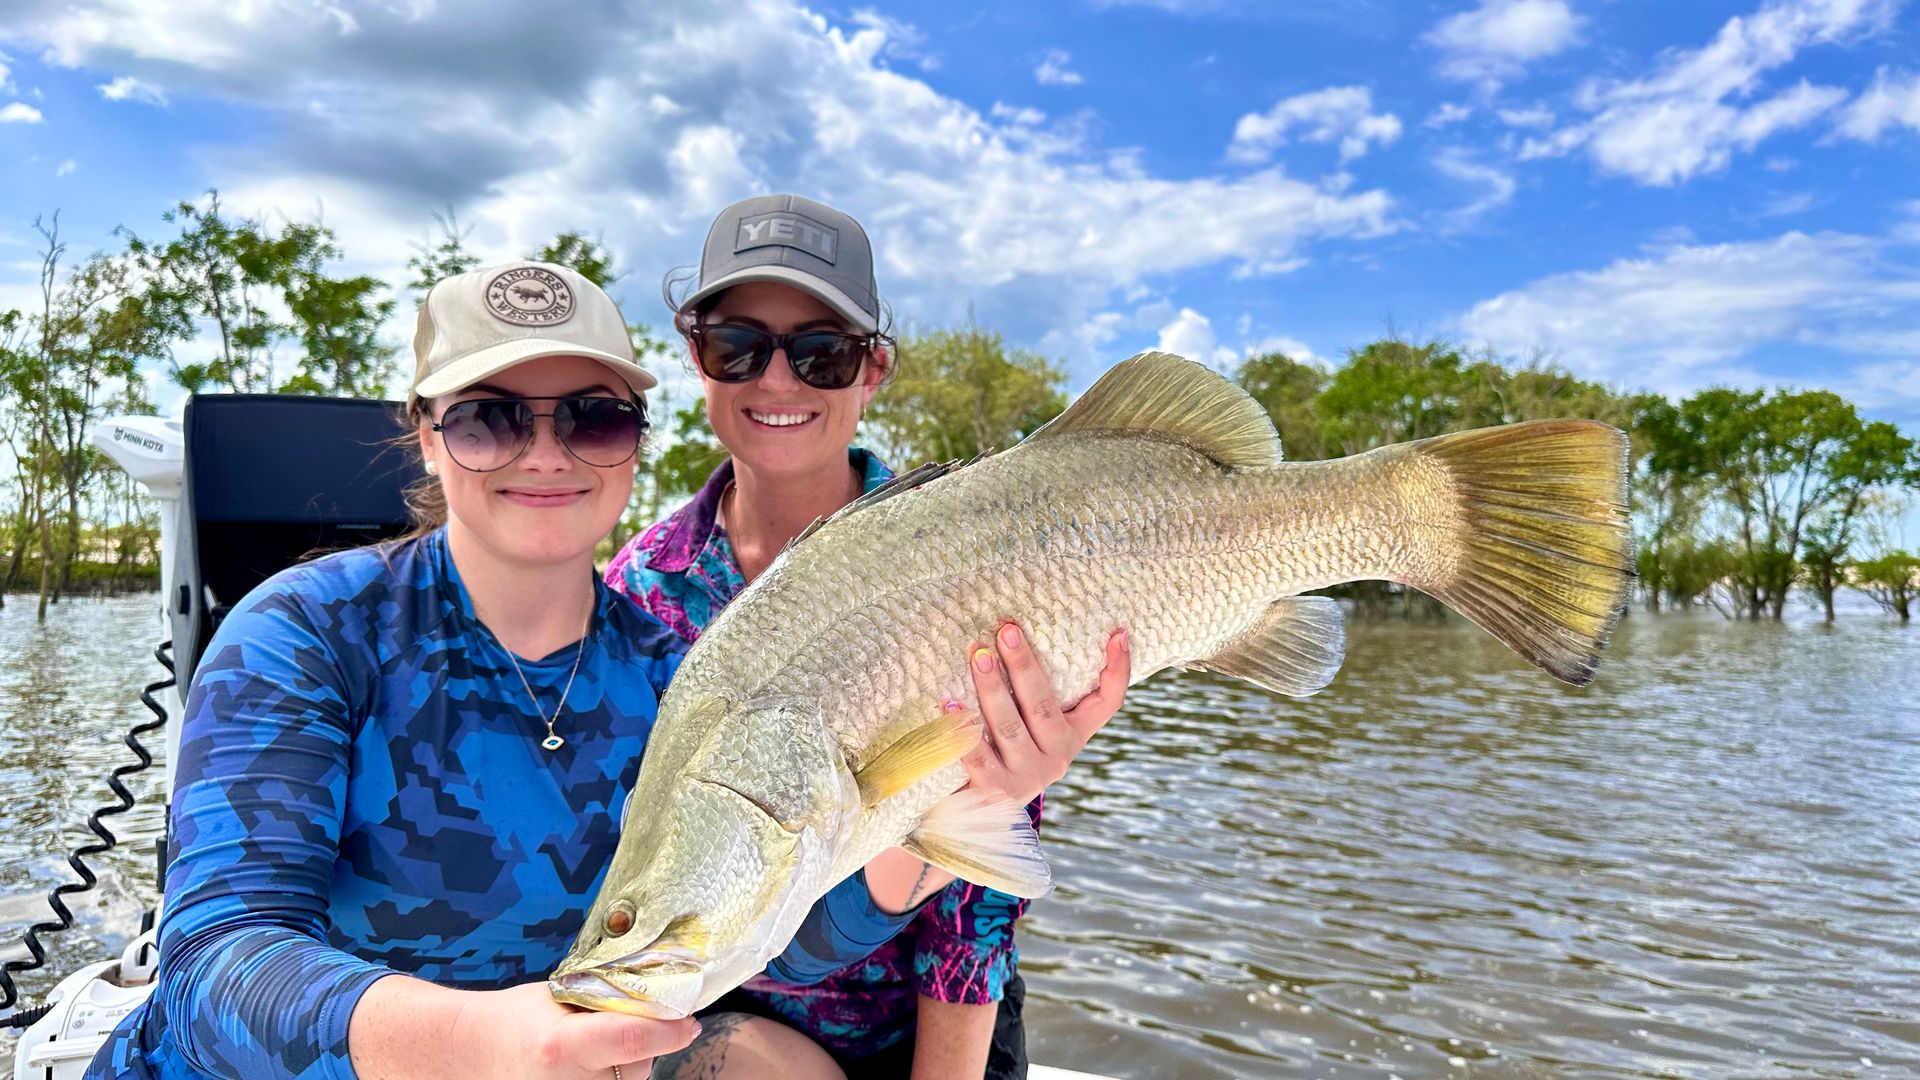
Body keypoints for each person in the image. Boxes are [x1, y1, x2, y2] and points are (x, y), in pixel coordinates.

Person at [87, 259, 1119, 1080]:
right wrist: (486, 1046)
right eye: (491, 417)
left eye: (591, 415)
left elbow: (780, 937)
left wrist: (950, 797)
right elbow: (218, 970)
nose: (547, 453)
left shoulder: (679, 669)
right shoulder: (303, 633)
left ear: (632, 439)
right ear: (428, 436)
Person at [605, 195, 1131, 1080]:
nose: (777, 383)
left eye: (822, 352)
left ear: (873, 369)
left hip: (934, 1030)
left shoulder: (975, 543)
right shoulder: (637, 590)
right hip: (727, 1026)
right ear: (696, 357)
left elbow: (977, 896)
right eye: (738, 345)